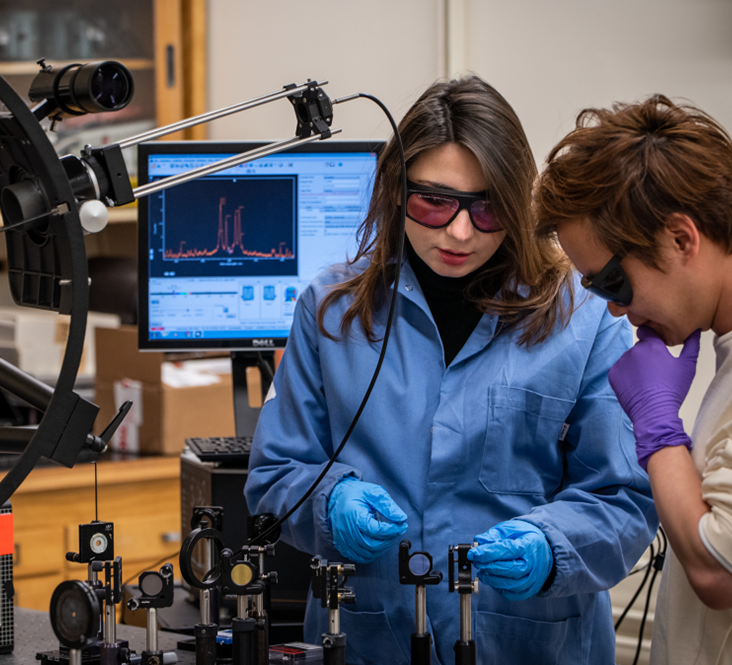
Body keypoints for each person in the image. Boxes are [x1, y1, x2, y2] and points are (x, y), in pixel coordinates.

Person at [245, 76, 657, 665]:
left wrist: (552, 545)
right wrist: (329, 503)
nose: (459, 232)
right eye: (433, 202)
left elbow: (625, 496)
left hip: (530, 642)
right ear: (394, 190)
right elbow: (276, 476)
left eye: (487, 207)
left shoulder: (587, 315)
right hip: (368, 639)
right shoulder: (332, 309)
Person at [534, 94, 732, 663]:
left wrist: (658, 427)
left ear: (681, 237)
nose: (614, 311)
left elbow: (722, 573)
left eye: (611, 282)